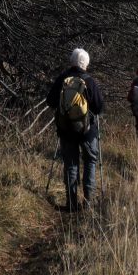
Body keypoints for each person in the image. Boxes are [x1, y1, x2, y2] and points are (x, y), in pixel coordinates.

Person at [46, 47, 104, 211]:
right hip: (88, 132)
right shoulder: (90, 81)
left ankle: (71, 204)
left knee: (71, 164)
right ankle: (88, 203)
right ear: (86, 64)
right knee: (90, 162)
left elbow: (50, 101)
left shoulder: (62, 79)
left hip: (66, 130)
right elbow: (99, 108)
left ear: (71, 62)